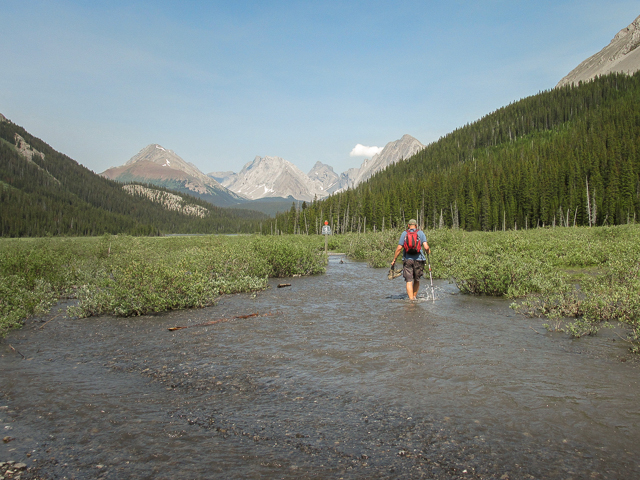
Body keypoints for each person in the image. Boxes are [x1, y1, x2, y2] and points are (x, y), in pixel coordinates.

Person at [391, 219, 431, 300]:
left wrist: (394, 259)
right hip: (419, 260)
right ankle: (414, 297)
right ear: (416, 225)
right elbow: (426, 247)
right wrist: (428, 252)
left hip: (407, 259)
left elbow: (399, 248)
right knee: (417, 279)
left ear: (408, 225)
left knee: (409, 281)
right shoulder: (421, 233)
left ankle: (411, 301)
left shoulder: (404, 233)